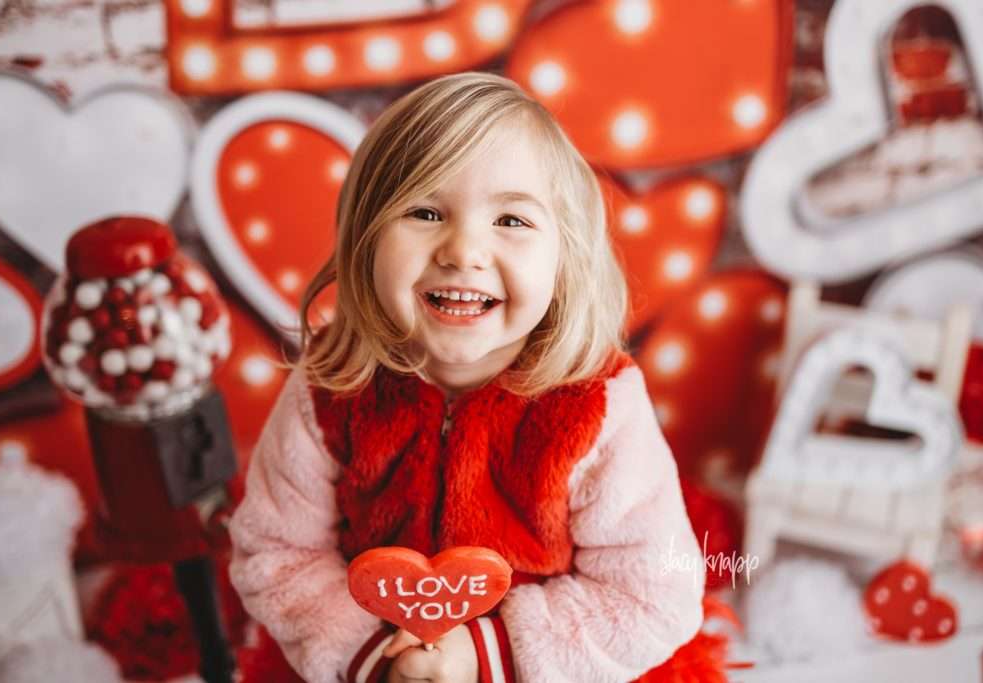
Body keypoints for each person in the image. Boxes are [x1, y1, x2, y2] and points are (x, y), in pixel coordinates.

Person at [228, 72, 706, 683]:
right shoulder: (329, 388)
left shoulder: (599, 403)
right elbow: (276, 552)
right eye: (425, 211)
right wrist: (378, 653)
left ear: (565, 257)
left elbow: (652, 593)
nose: (463, 250)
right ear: (365, 240)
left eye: (511, 221)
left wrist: (483, 653)